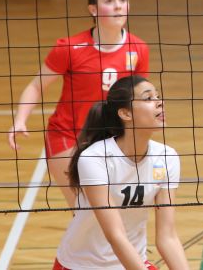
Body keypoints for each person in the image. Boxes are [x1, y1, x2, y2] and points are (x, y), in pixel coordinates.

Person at [9, 0, 150, 207]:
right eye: (109, 1)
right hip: (68, 138)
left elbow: (139, 98)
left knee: (111, 213)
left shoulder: (138, 49)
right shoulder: (69, 48)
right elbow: (36, 85)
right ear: (93, 9)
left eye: (122, 0)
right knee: (87, 210)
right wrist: (20, 120)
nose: (118, 6)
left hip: (111, 140)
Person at [53, 75, 187, 270]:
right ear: (125, 113)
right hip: (81, 266)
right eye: (148, 98)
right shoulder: (95, 158)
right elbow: (115, 236)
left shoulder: (166, 156)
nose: (160, 103)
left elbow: (168, 238)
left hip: (134, 261)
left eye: (158, 97)